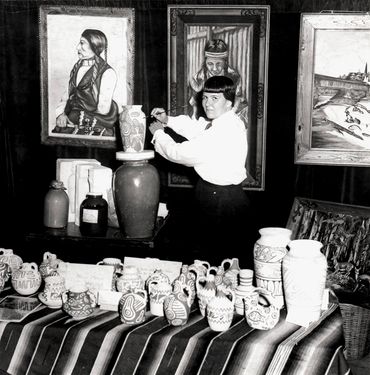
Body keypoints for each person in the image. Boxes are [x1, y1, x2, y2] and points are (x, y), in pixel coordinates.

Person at [149, 76, 251, 265]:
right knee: (218, 261)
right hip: (223, 197)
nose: (207, 104)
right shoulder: (226, 121)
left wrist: (158, 133)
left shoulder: (222, 131)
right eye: (205, 97)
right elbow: (197, 127)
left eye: (215, 99)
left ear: (229, 102)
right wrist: (167, 120)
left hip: (220, 203)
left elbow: (179, 153)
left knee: (214, 261)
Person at [53, 29, 118, 136]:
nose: (77, 47)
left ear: (95, 46)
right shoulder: (76, 68)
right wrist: (61, 114)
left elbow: (103, 109)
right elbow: (66, 97)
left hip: (97, 122)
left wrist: (79, 117)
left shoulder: (107, 73)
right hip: (71, 119)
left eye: (82, 43)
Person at [189, 39, 248, 124]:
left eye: (218, 64)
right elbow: (195, 106)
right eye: (210, 64)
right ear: (205, 62)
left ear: (225, 62)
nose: (214, 69)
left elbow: (238, 101)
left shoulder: (234, 77)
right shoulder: (198, 78)